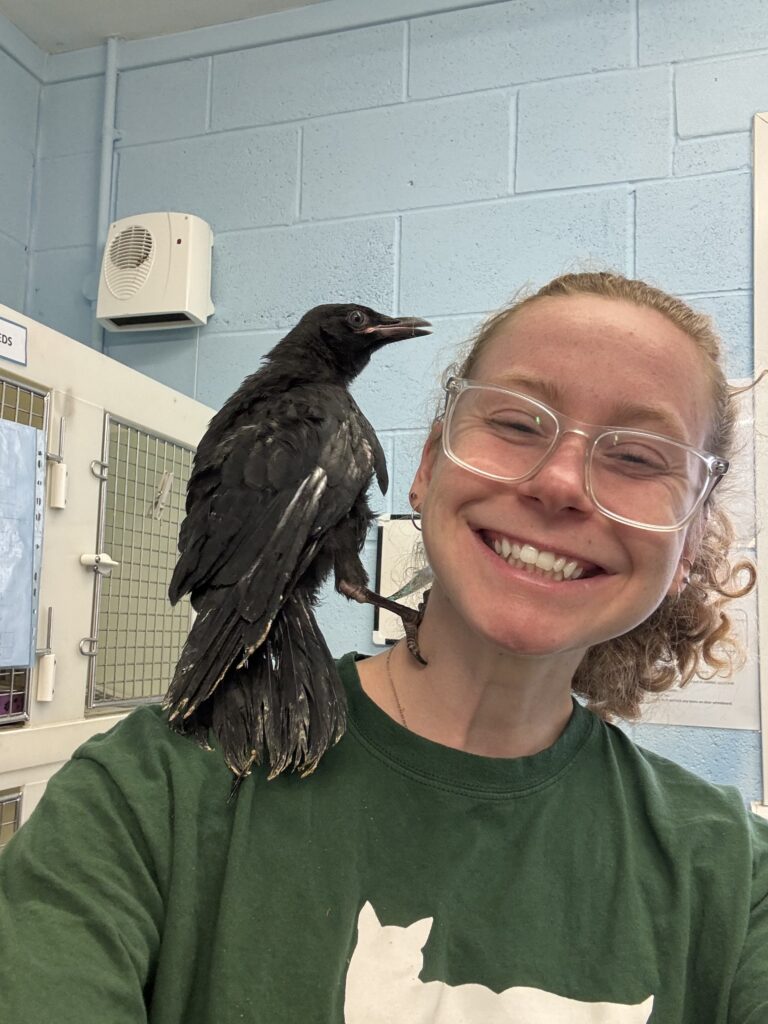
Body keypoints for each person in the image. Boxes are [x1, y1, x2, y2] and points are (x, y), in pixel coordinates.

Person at [0, 270, 766, 1023]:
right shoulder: (143, 798)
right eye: (518, 422)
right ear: (428, 468)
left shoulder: (734, 879)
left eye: (636, 457)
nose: (561, 483)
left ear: (691, 538)